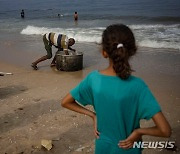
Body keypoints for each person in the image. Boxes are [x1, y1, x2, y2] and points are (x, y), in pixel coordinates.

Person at [61, 24, 171, 154]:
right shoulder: (138, 86)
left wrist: (93, 115)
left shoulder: (94, 79)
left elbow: (65, 102)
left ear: (104, 52)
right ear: (132, 50)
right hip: (129, 149)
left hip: (103, 148)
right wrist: (138, 132)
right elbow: (165, 131)